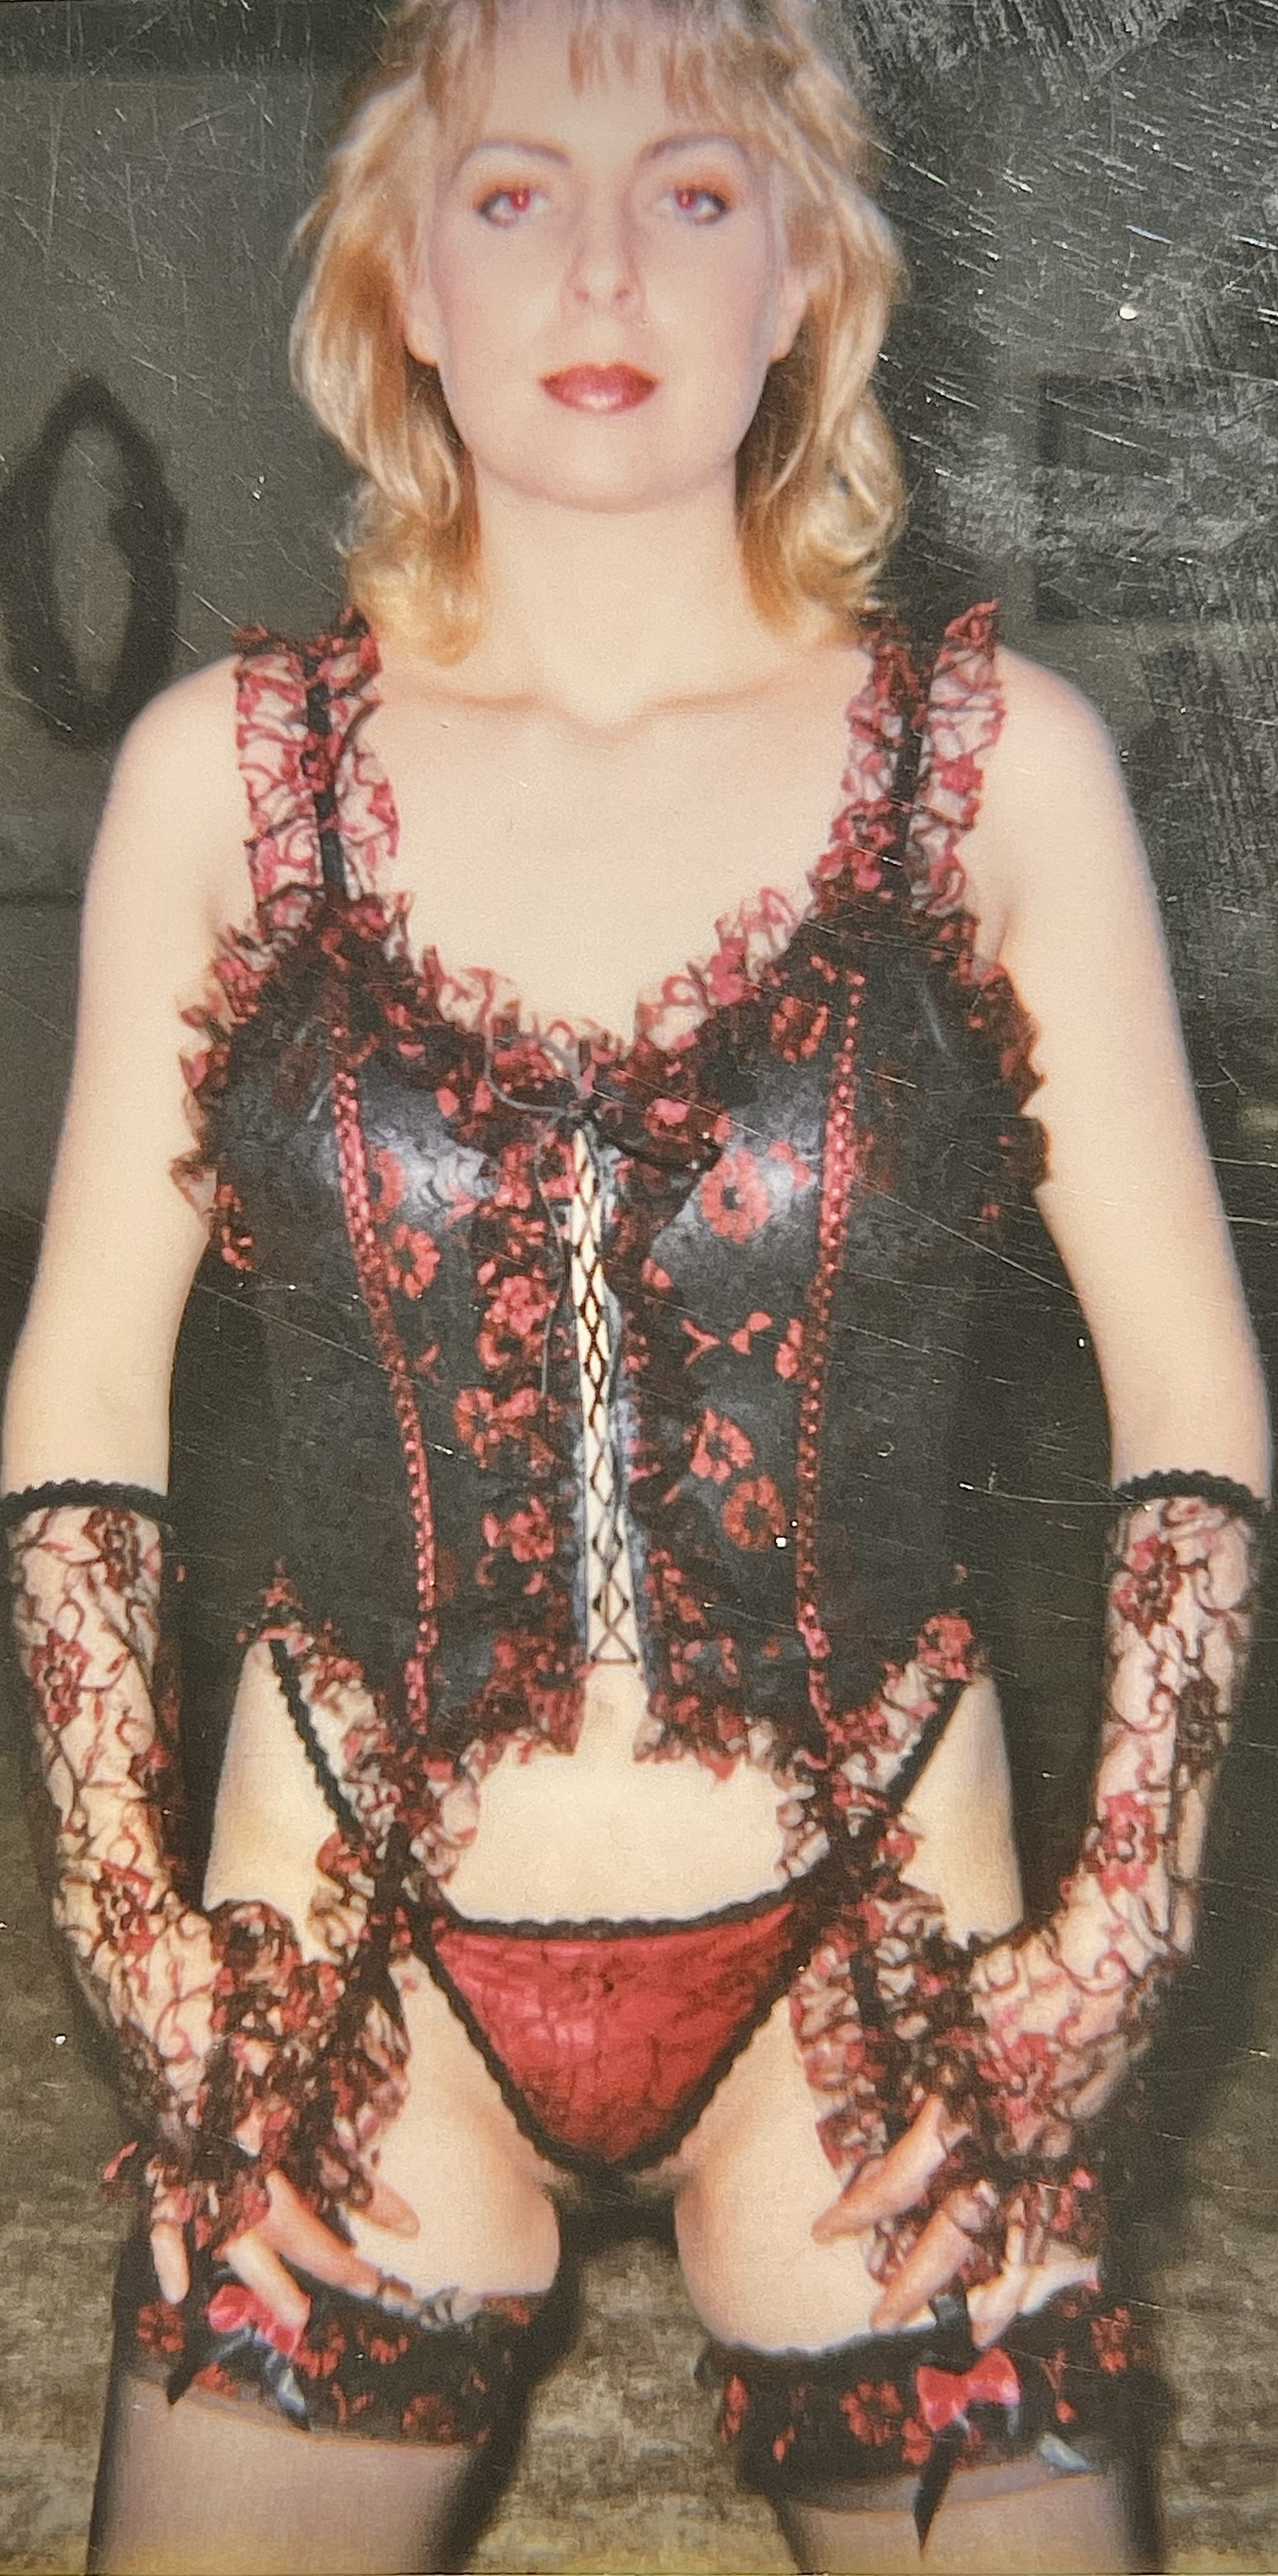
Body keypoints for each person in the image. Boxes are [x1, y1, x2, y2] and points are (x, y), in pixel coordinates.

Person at [1, 1, 1268, 2570]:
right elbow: (88, 1393)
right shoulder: (220, 779)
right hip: (343, 1946)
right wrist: (136, 1946)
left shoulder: (993, 767)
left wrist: (1118, 1929)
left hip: (878, 1945)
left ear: (805, 273)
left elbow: (1183, 1396)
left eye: (692, 192)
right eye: (510, 195)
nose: (601, 267)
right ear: (399, 279)